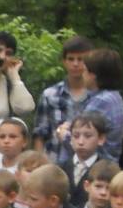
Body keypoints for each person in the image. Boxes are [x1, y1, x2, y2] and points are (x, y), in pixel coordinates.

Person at [33, 35, 93, 168]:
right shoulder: (50, 94)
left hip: (87, 165)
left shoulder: (97, 96)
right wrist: (41, 165)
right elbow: (40, 134)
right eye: (71, 59)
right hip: (55, 163)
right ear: (64, 61)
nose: (75, 64)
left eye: (81, 59)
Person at [0, 31, 35, 147]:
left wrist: (14, 76)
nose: (2, 56)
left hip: (1, 151)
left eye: (8, 53)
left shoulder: (8, 83)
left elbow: (25, 108)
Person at [84, 48, 123, 160]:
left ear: (93, 75)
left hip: (99, 164)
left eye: (85, 70)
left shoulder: (101, 101)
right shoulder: (115, 97)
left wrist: (63, 133)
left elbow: (82, 138)